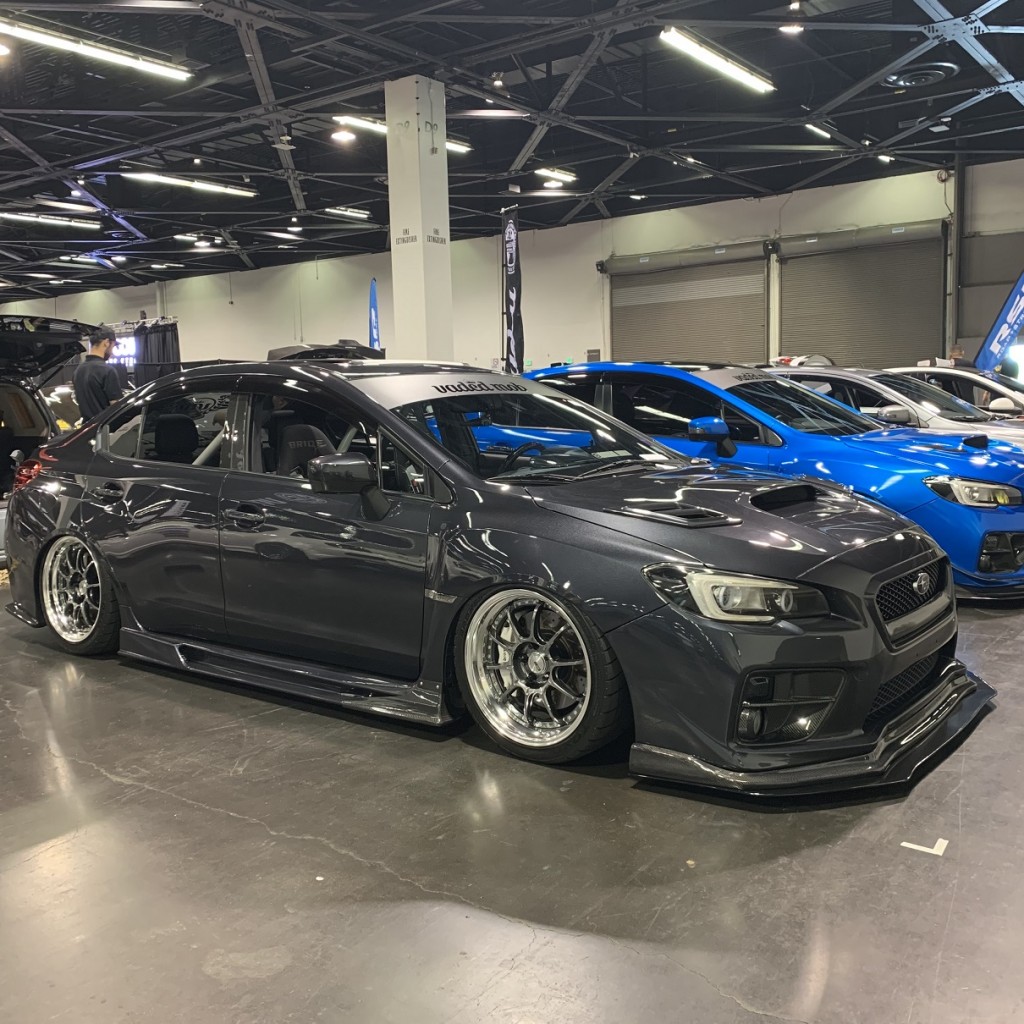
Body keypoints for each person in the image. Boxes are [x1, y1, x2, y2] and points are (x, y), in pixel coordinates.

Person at [73, 326, 123, 421]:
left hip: (86, 428)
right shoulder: (108, 371)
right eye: (113, 346)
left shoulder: (78, 370)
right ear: (106, 343)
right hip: (105, 427)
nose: (112, 353)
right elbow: (116, 408)